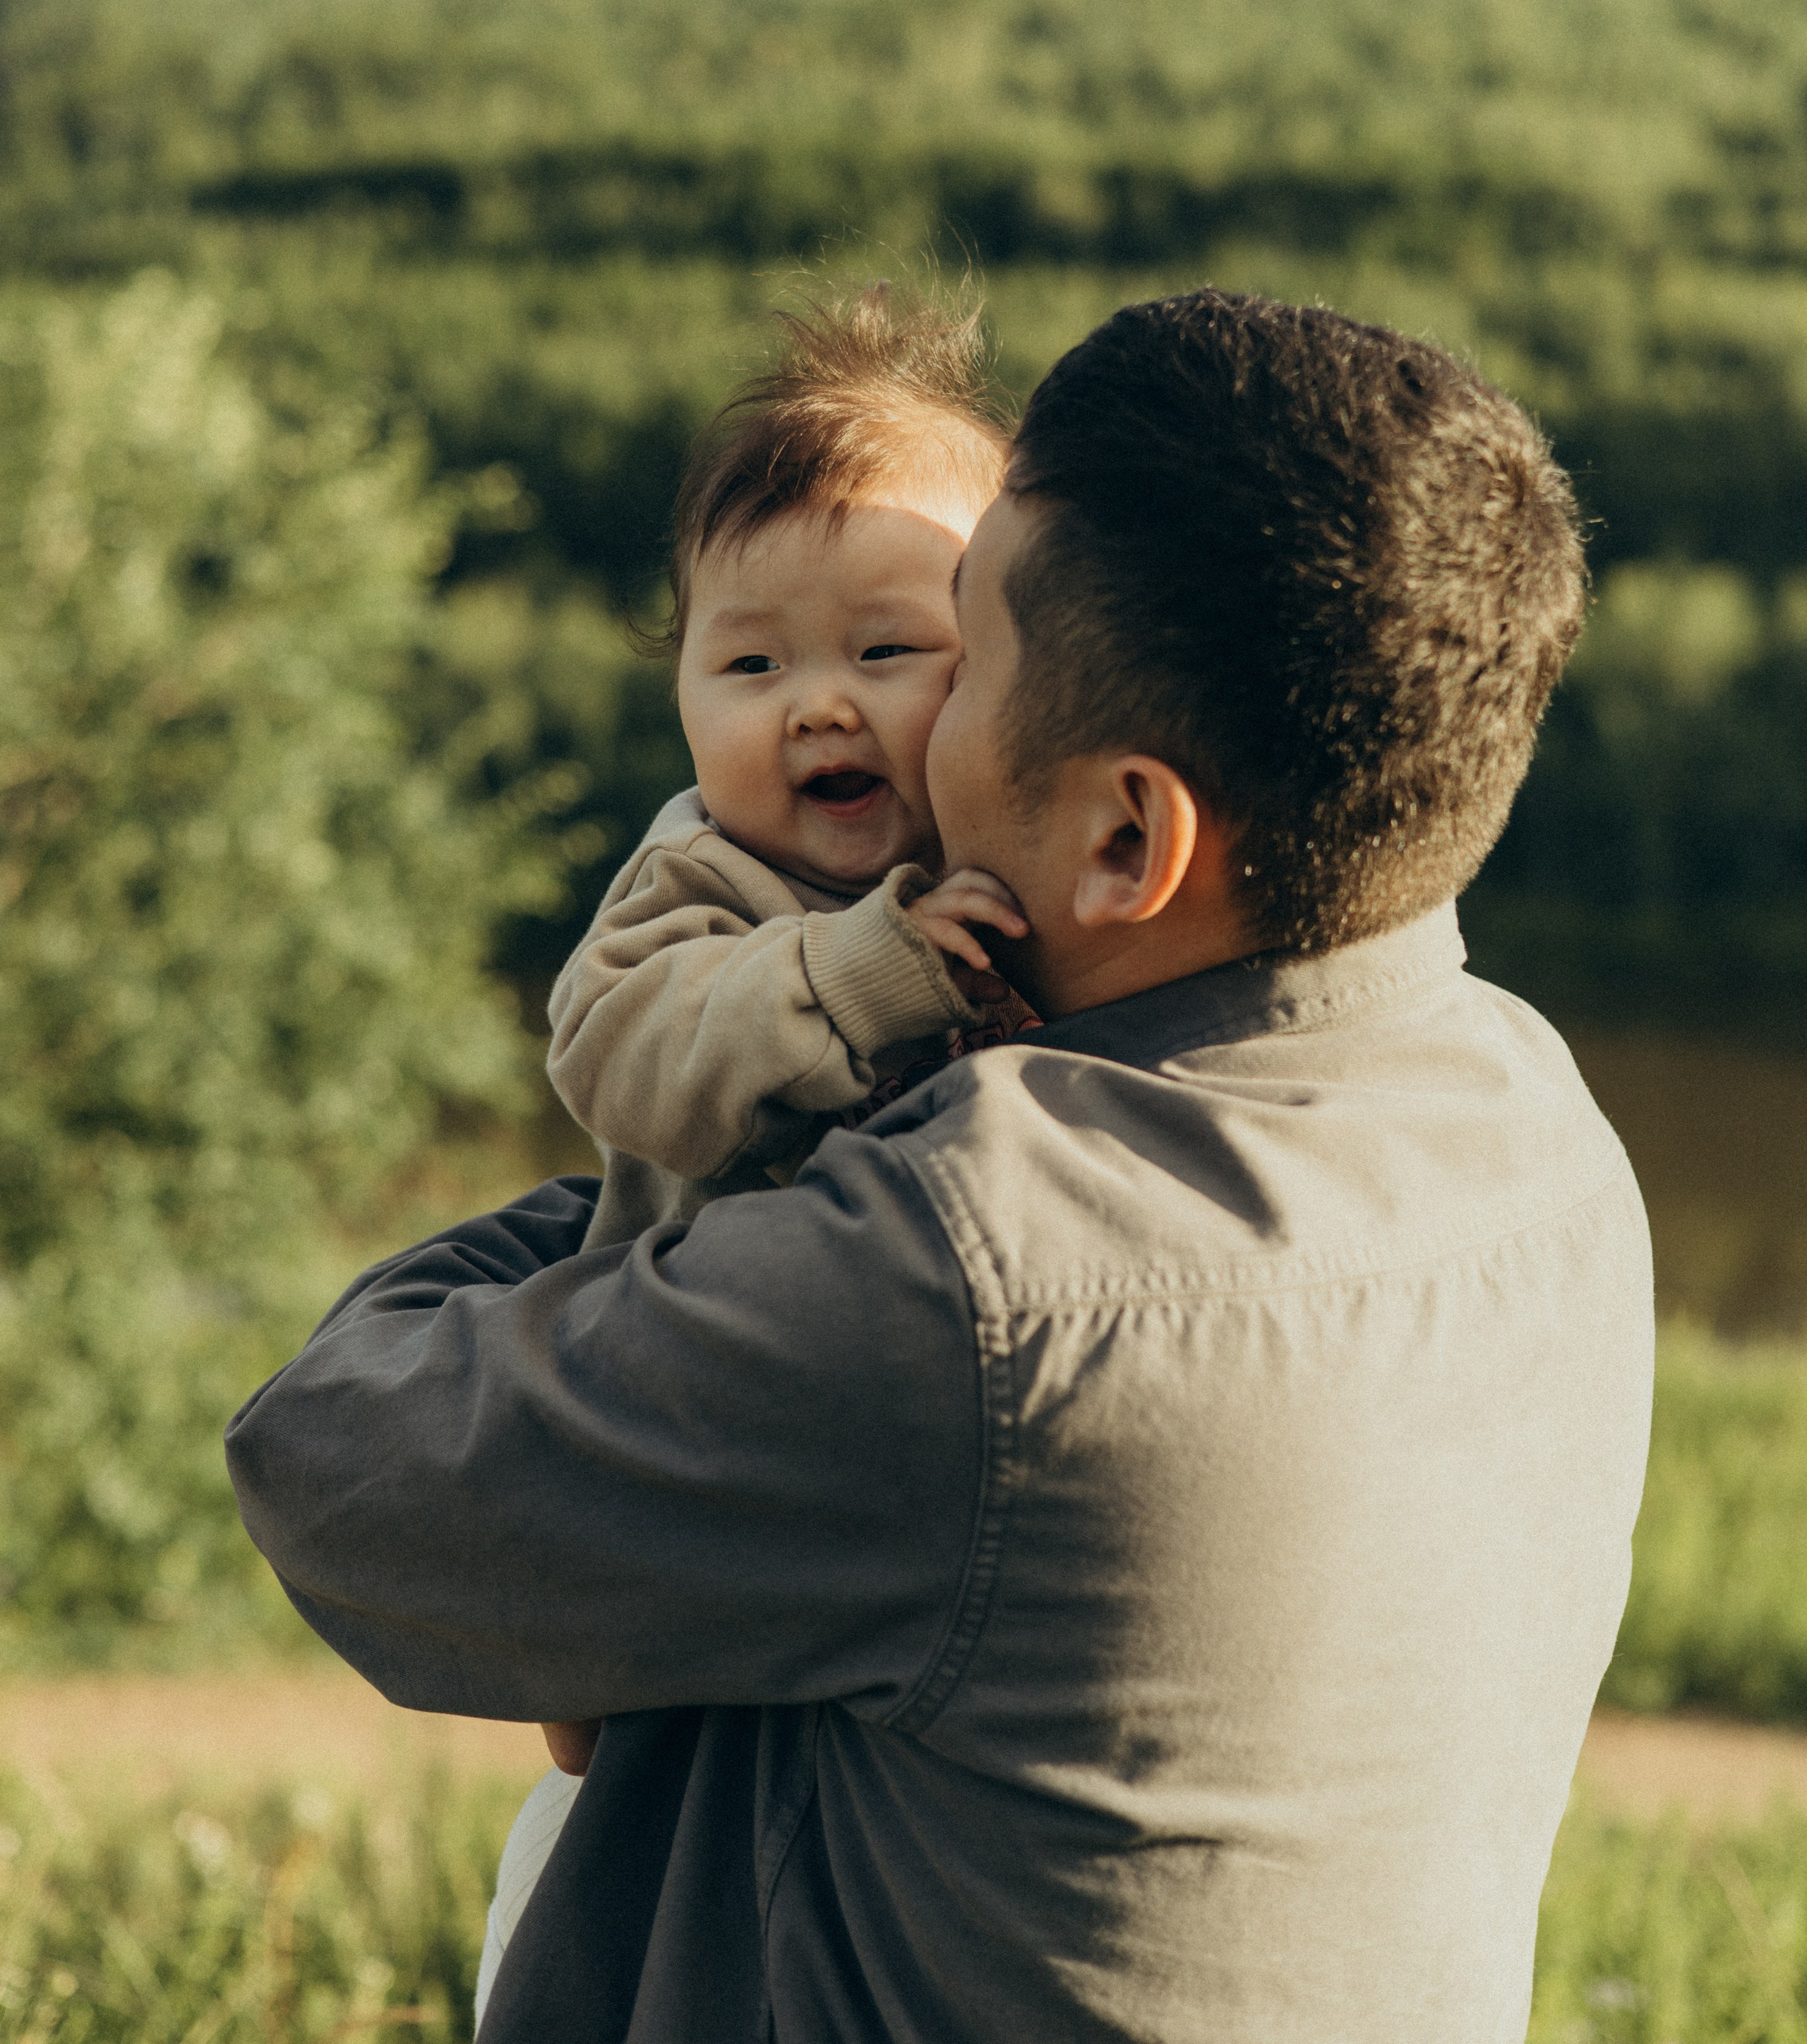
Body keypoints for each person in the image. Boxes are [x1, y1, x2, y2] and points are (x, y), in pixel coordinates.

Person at [228, 288, 1654, 2044]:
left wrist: (689, 1191)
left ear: (1125, 836)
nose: (880, 720)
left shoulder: (968, 1275)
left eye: (953, 656)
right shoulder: (1537, 1123)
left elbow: (332, 1464)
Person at [478, 287, 1031, 2019]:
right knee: (622, 1756)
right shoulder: (703, 881)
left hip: (882, 1423)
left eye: (887, 653)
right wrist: (862, 970)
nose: (817, 711)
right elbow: (622, 1055)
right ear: (679, 691)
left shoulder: (1003, 866)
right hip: (685, 1381)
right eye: (749, 666)